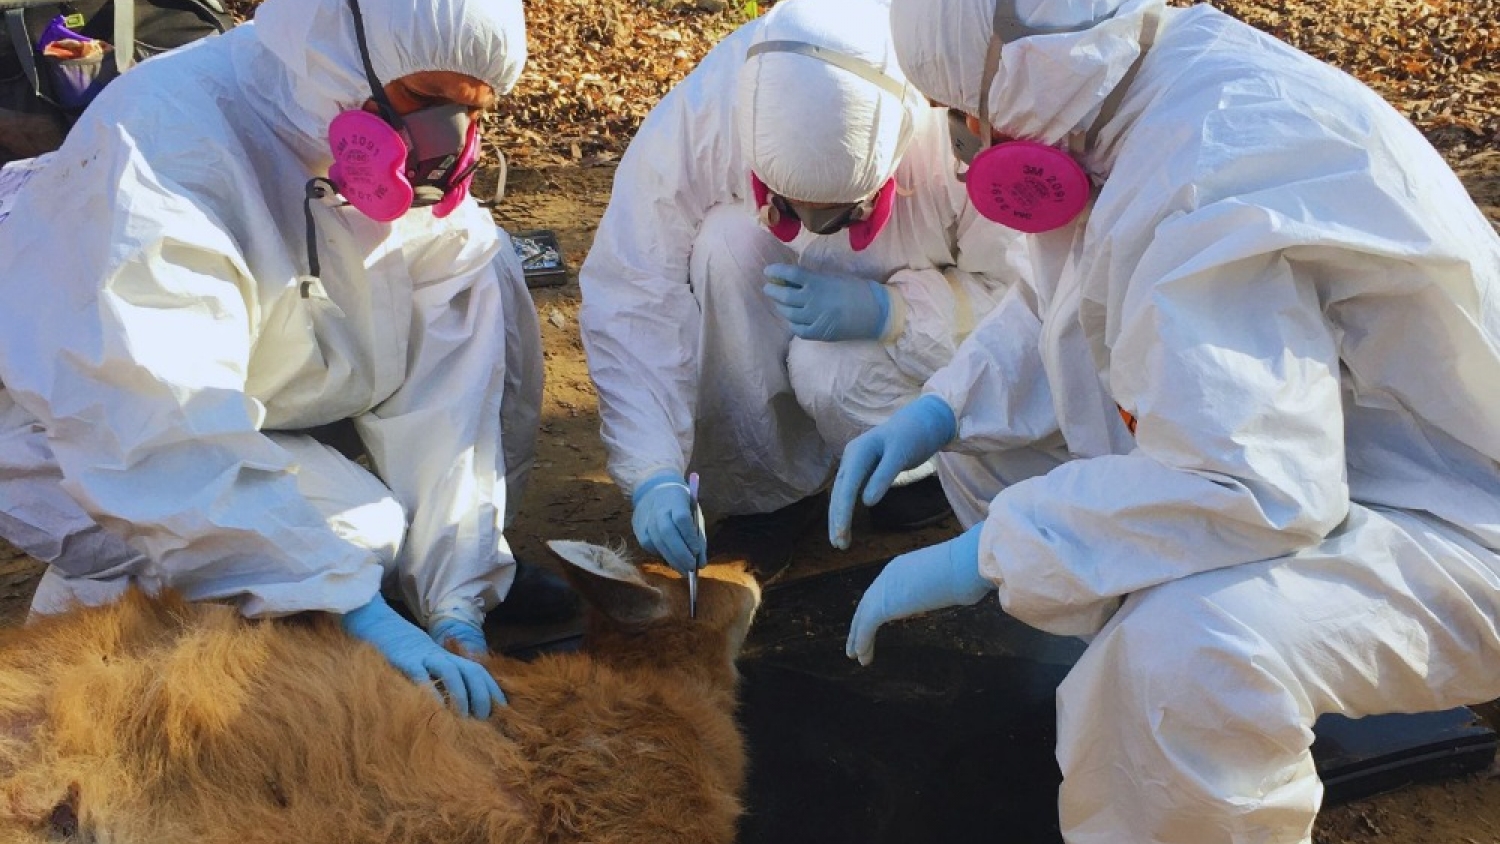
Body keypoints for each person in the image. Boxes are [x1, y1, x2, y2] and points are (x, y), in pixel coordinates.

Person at [829, 0, 1500, 841]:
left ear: (1019, 71)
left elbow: (1255, 490)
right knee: (982, 456)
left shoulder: (1203, 177)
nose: (966, 133)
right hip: (1340, 449)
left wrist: (991, 551)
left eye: (961, 108)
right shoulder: (1141, 83)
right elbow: (1064, 299)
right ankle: (1143, 719)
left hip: (1458, 516)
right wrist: (942, 409)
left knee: (1186, 653)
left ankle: (1178, 744)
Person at [0, 0, 554, 718]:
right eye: (423, 99)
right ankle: (83, 693)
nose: (443, 138)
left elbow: (450, 383)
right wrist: (350, 602)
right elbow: (148, 428)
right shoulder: (163, 148)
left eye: (471, 111)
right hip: (76, 431)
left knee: (486, 264)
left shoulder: (357, 114)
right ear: (337, 46)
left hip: (261, 391)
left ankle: (396, 582)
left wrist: (454, 595)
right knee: (357, 532)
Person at [577, 0, 1024, 580]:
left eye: (841, 214)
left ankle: (918, 465)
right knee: (724, 244)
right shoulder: (707, 109)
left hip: (906, 307)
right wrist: (652, 469)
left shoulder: (951, 118)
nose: (816, 231)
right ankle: (771, 490)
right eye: (792, 207)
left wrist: (894, 312)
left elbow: (1024, 303)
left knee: (826, 370)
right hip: (776, 271)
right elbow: (634, 285)